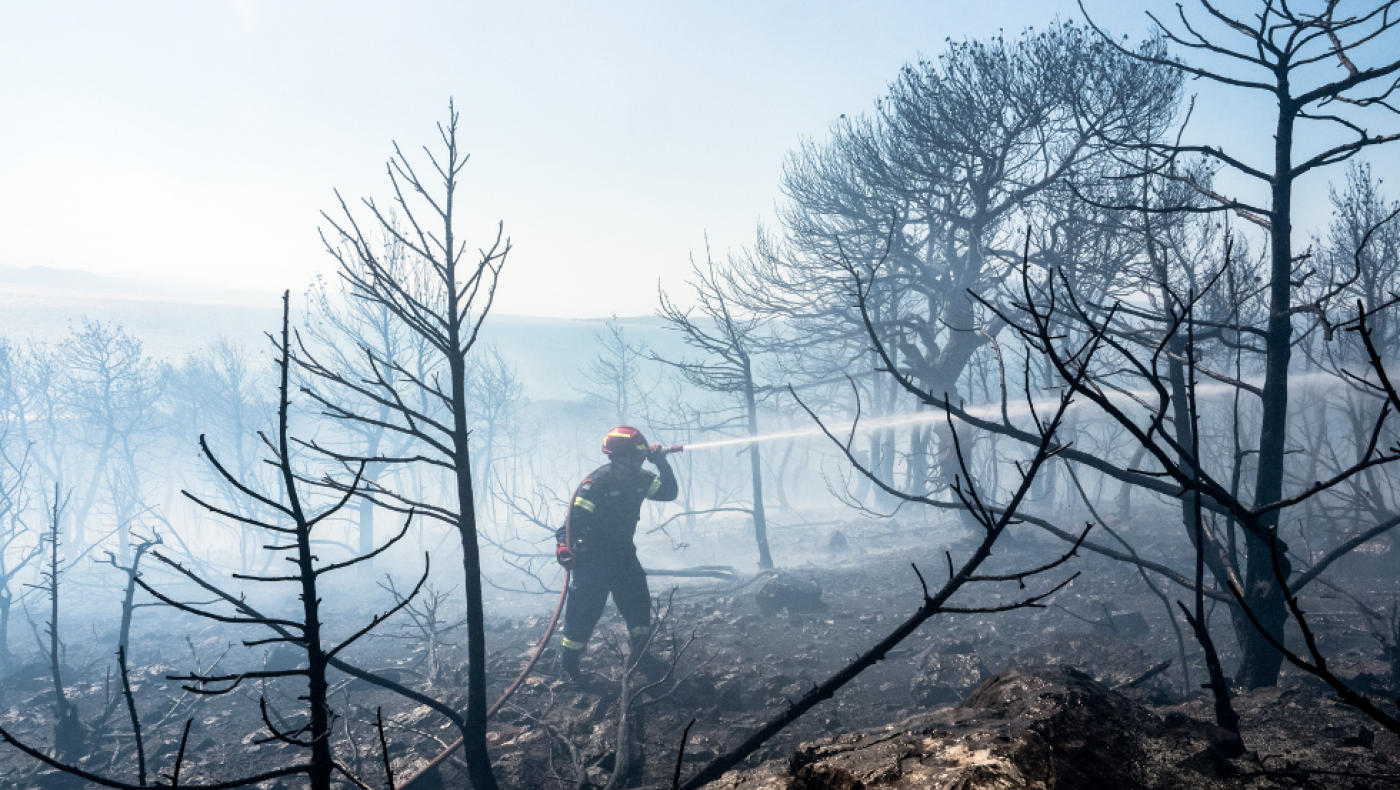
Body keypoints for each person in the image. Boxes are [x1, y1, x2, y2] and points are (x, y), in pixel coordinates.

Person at [555, 425, 678, 681]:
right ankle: (569, 664)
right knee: (584, 611)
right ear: (619, 456)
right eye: (637, 455)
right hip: (592, 560)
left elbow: (669, 492)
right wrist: (564, 547)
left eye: (642, 456)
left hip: (623, 555)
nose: (640, 460)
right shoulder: (595, 485)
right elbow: (572, 522)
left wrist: (661, 463)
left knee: (638, 604)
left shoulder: (641, 479)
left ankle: (640, 654)